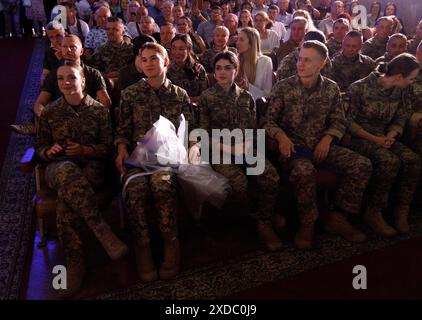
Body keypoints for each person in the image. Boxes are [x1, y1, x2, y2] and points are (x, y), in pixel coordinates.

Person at [264, 40, 372, 249]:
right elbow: (267, 120)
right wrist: (281, 137)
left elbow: (339, 120)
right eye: (299, 59)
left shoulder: (331, 89)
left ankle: (338, 217)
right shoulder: (284, 87)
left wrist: (328, 138)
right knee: (304, 172)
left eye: (307, 60)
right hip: (294, 149)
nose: (300, 64)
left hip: (323, 147)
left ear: (322, 63)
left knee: (362, 164)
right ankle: (308, 222)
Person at [35, 61, 128, 297]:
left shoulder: (98, 111)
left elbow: (107, 148)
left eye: (71, 78)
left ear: (83, 81)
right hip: (57, 168)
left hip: (91, 169)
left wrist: (86, 150)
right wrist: (50, 150)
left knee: (68, 200)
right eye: (60, 79)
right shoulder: (51, 113)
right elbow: (39, 149)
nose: (66, 83)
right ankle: (101, 229)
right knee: (66, 170)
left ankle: (74, 262)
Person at [115, 43, 193, 281]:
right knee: (136, 190)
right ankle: (143, 248)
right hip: (138, 159)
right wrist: (120, 149)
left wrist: (194, 147)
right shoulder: (130, 94)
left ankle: (171, 244)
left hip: (168, 160)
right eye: (144, 59)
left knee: (162, 184)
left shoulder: (179, 94)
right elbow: (122, 130)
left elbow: (191, 130)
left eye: (154, 59)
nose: (148, 64)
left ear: (166, 62)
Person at [198, 51, 283, 251]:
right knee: (239, 182)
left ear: (236, 71)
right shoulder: (207, 98)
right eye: (218, 68)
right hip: (219, 151)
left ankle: (264, 221)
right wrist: (230, 148)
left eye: (228, 68)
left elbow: (253, 129)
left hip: (245, 149)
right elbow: (202, 136)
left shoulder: (246, 98)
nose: (222, 72)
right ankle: (244, 220)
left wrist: (249, 148)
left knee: (270, 176)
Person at [346, 53, 421, 236]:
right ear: (398, 77)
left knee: (412, 160)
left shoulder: (400, 90)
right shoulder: (360, 87)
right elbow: (348, 122)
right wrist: (375, 139)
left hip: (384, 136)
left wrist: (391, 134)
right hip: (359, 138)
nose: (412, 82)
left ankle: (401, 209)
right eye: (410, 78)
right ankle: (374, 211)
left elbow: (401, 116)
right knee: (389, 161)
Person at [167, 34, 208, 104]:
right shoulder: (167, 70)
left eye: (181, 49)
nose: (177, 52)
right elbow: (168, 97)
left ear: (188, 49)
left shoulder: (199, 68)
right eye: (173, 48)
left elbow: (205, 94)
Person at [236, 27, 273, 100]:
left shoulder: (265, 62)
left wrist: (249, 88)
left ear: (251, 44)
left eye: (241, 40)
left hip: (256, 105)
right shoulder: (235, 59)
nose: (237, 43)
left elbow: (267, 94)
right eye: (237, 39)